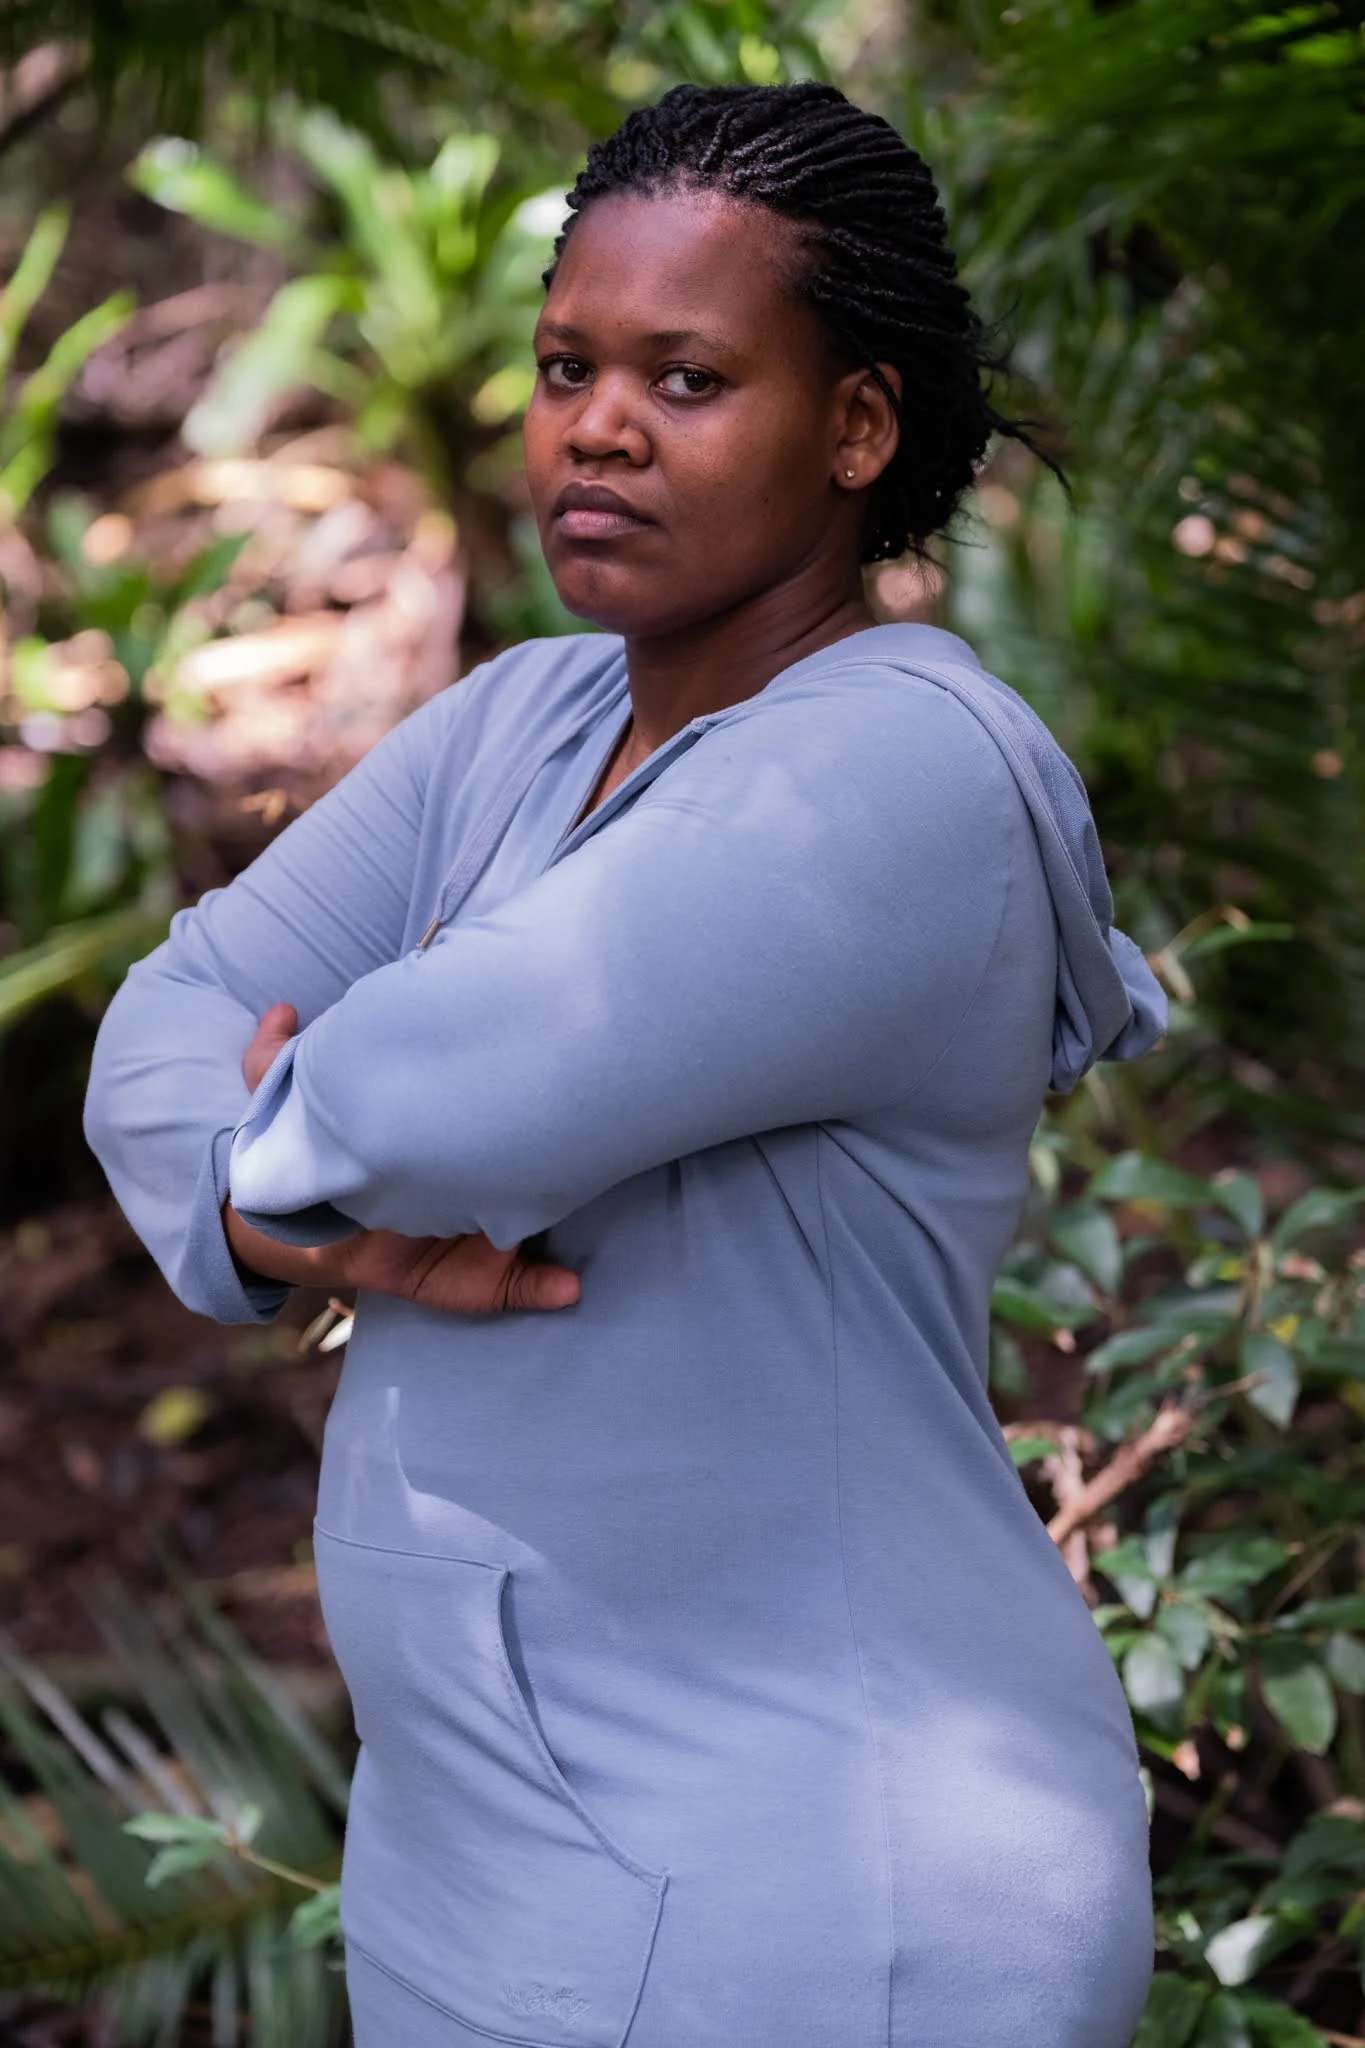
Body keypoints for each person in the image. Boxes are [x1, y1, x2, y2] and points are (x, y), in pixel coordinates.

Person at [85, 80, 1166, 2048]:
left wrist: (318, 1111)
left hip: (814, 1874)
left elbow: (424, 1097)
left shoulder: (897, 770)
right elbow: (164, 1026)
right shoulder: (527, 716)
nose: (595, 424)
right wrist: (268, 1205)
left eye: (687, 377)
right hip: (492, 1862)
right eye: (567, 364)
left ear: (857, 427)